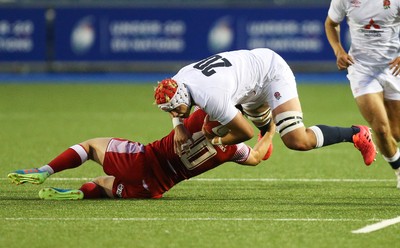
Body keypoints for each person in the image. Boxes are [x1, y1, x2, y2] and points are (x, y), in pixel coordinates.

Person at [154, 48, 377, 165]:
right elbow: (175, 103)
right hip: (247, 82)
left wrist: (216, 141)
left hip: (270, 73)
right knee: (259, 123)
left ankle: (356, 134)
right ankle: (267, 130)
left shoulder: (211, 97)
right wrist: (178, 125)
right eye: (170, 112)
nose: (174, 113)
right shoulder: (178, 80)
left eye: (175, 110)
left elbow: (244, 133)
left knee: (296, 140)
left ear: (184, 97)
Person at [7, 108, 275, 200]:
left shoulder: (201, 117)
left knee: (90, 146)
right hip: (154, 189)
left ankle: (44, 171)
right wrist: (270, 131)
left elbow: (178, 100)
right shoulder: (234, 150)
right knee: (102, 185)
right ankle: (82, 193)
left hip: (142, 161)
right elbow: (257, 157)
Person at [325, 0, 400, 188]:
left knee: (397, 132)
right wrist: (338, 51)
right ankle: (399, 170)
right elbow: (331, 23)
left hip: (393, 68)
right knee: (381, 129)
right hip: (362, 70)